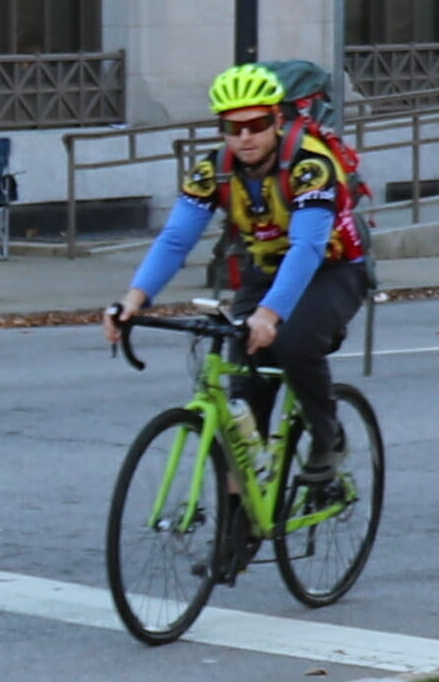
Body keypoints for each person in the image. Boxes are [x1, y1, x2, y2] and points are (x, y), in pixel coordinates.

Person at [109, 61, 371, 495]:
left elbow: (307, 248)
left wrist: (270, 314)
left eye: (257, 125)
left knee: (293, 343)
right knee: (244, 391)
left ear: (277, 120)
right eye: (233, 127)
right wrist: (134, 299)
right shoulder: (214, 170)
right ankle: (241, 516)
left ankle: (328, 439)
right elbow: (176, 239)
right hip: (266, 270)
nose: (245, 136)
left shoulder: (310, 165)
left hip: (332, 269)